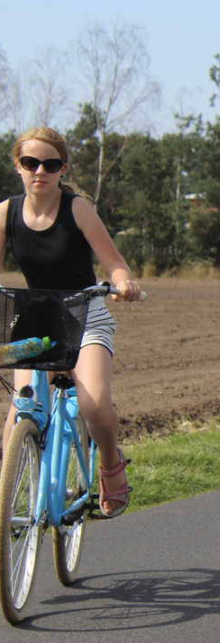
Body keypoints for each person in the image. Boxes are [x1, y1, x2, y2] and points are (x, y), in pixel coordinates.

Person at [1, 127, 143, 516]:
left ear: (62, 169)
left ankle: (111, 466)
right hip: (34, 317)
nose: (39, 172)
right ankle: (8, 498)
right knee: (20, 411)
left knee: (94, 405)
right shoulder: (6, 212)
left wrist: (122, 281)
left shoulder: (77, 208)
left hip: (85, 312)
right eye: (30, 163)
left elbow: (113, 262)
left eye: (50, 164)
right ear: (18, 166)